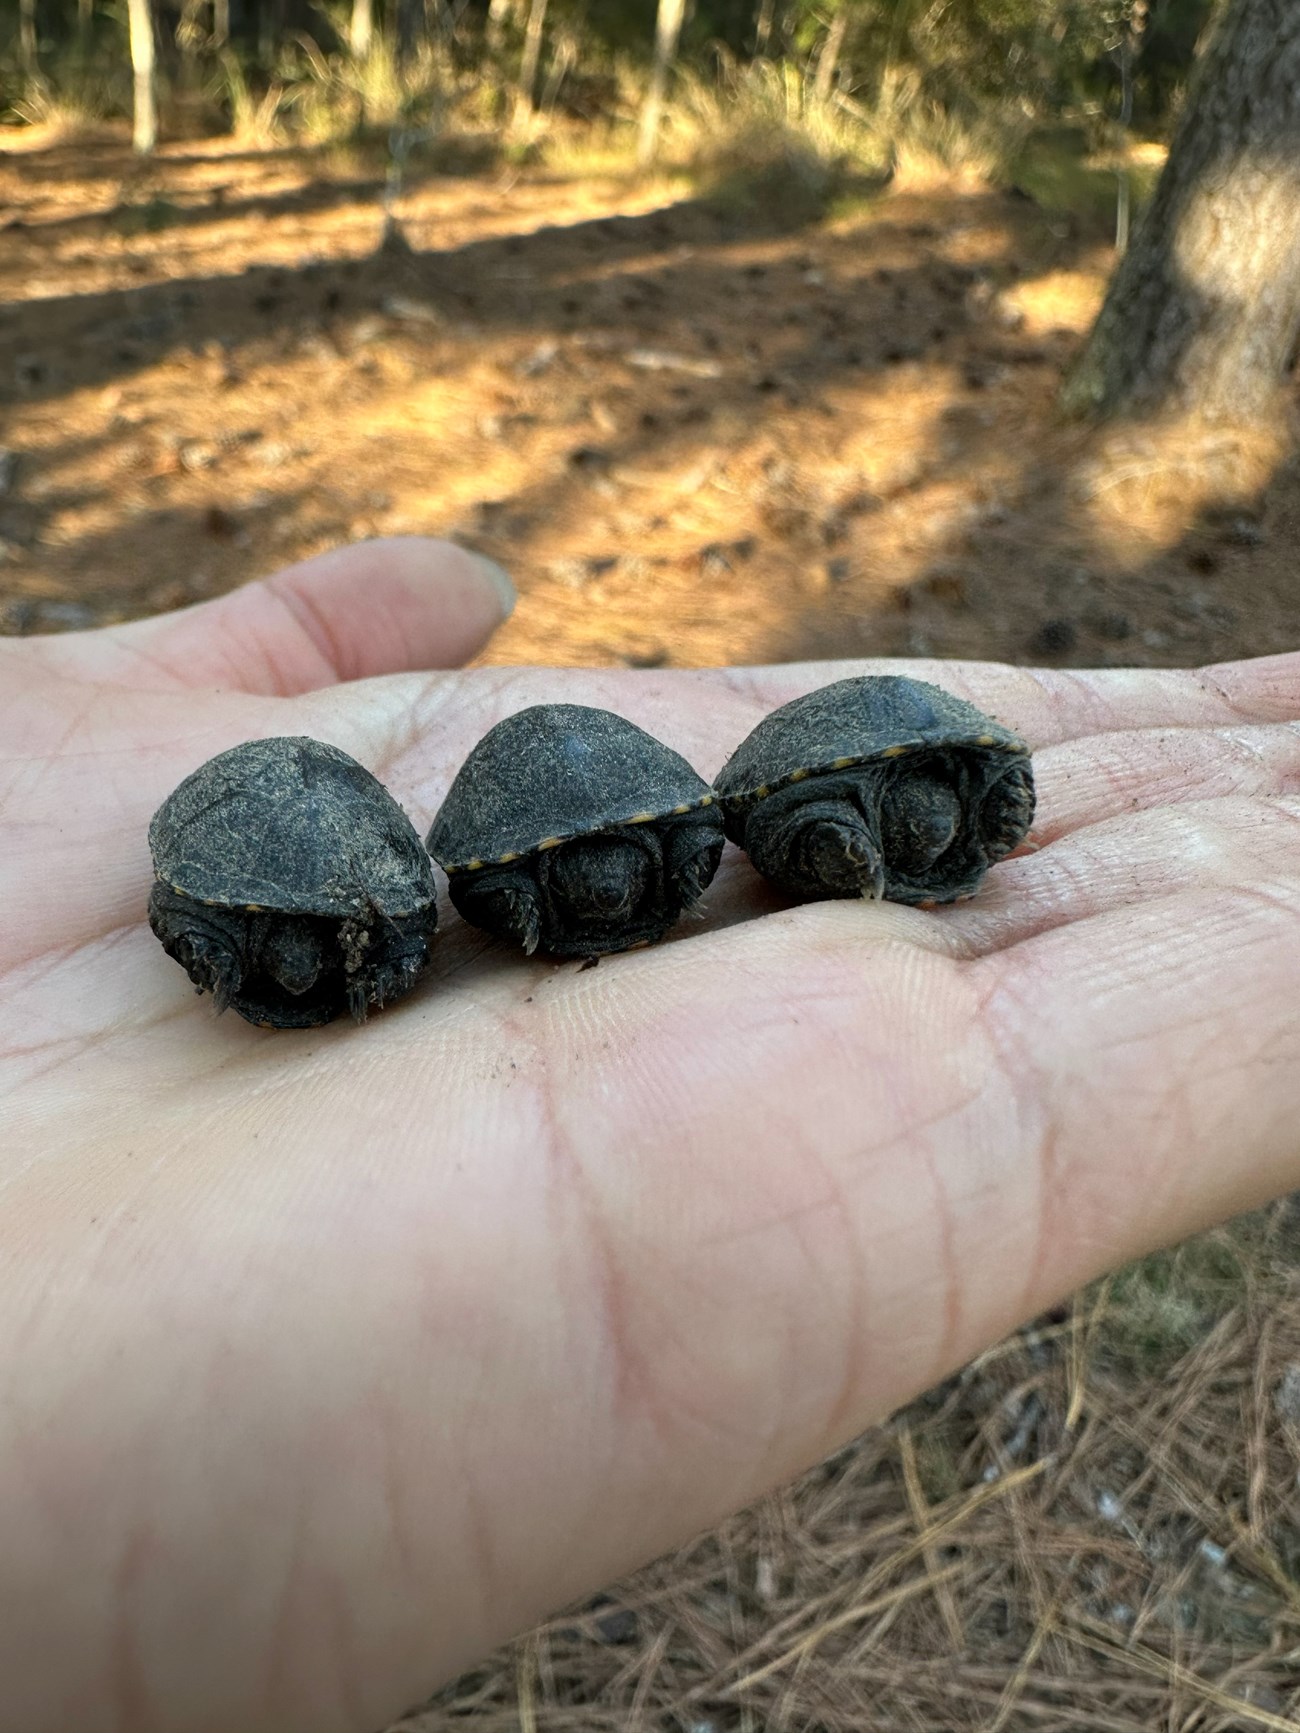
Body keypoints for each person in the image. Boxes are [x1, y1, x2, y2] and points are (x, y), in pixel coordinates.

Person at [2, 536, 1297, 1733]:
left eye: (644, 869)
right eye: (606, 876)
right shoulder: (393, 919)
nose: (626, 889)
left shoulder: (836, 817)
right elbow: (442, 901)